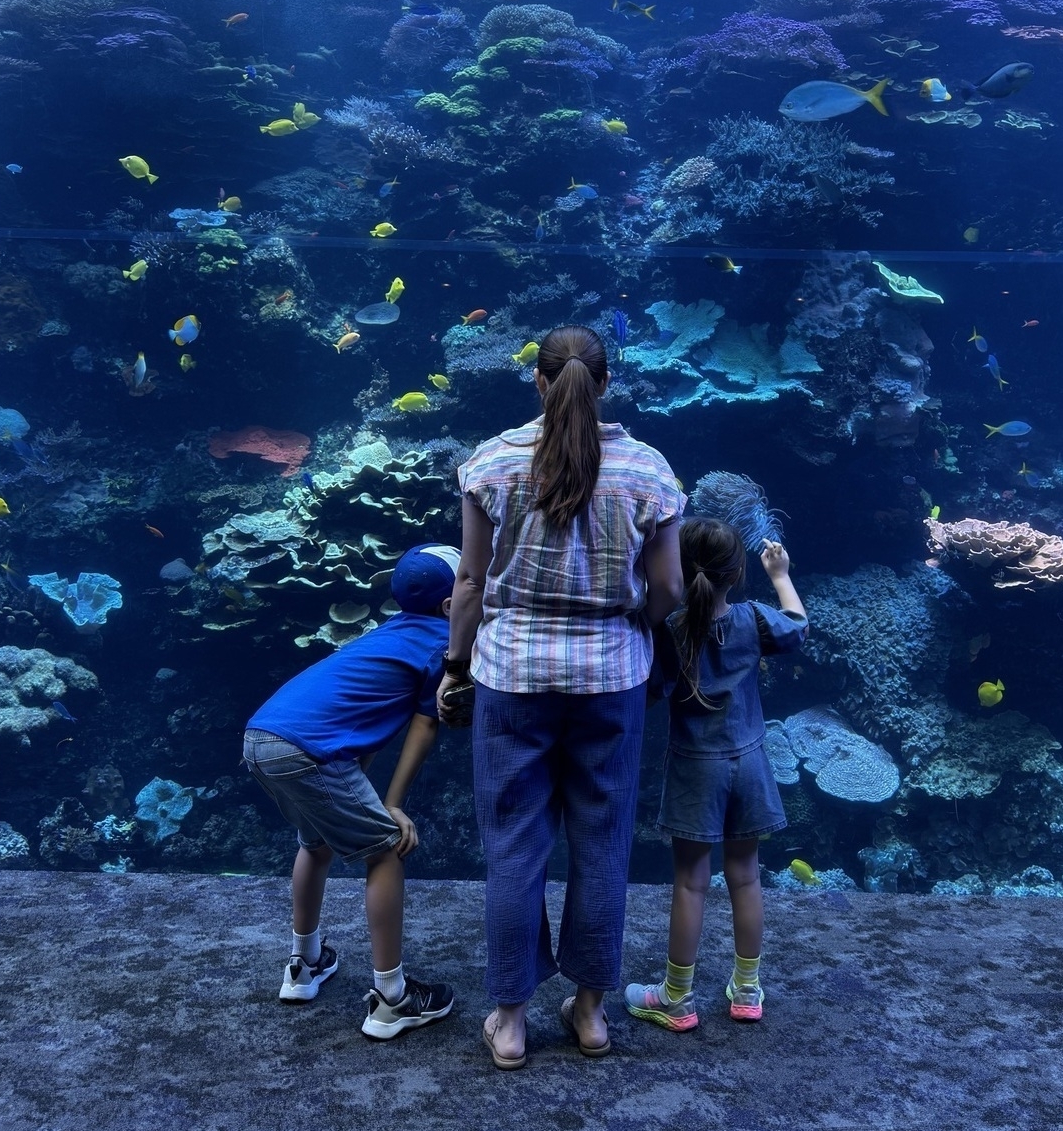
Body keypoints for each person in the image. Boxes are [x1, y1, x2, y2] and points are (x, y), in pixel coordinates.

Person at [438, 324, 684, 1070]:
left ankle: (509, 1022)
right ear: (604, 385)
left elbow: (472, 583)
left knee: (514, 847)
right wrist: (633, 626)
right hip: (611, 680)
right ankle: (590, 1015)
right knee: (602, 843)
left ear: (539, 384)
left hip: (511, 676)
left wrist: (455, 666)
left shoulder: (492, 465)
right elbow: (670, 588)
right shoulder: (647, 470)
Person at [242, 544, 459, 1040]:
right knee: (386, 851)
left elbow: (356, 725)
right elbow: (424, 727)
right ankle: (393, 999)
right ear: (451, 606)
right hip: (307, 751)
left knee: (315, 842)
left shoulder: (385, 634)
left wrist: (368, 793)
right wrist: (393, 805)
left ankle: (305, 965)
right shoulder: (441, 644)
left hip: (263, 737)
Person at [625, 519, 806, 1032]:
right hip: (749, 762)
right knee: (746, 876)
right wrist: (781, 574)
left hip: (694, 767)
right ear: (737, 571)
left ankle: (676, 997)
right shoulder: (753, 619)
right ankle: (747, 990)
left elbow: (649, 691)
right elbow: (797, 624)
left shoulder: (669, 633)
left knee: (690, 882)